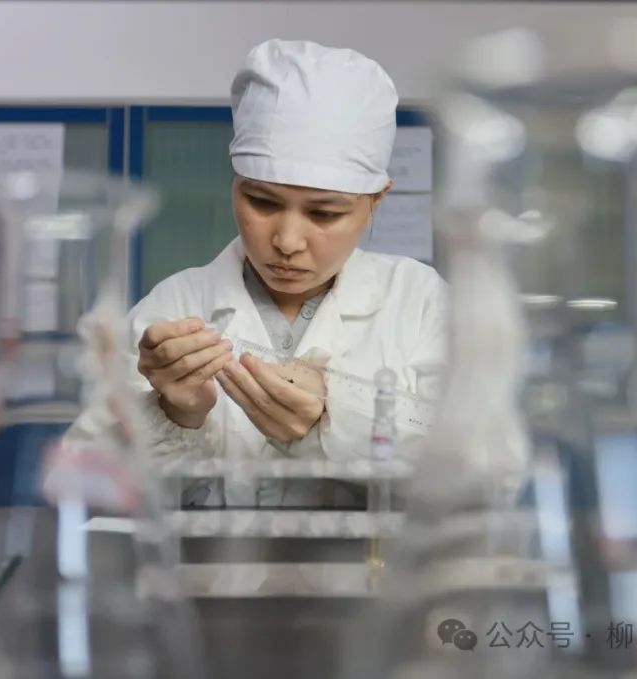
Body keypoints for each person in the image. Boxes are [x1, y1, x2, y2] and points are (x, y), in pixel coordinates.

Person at [68, 39, 448, 508]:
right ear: (235, 185)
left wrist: (336, 421)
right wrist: (174, 415)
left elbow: (483, 477)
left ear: (377, 199)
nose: (287, 241)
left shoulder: (419, 303)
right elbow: (83, 486)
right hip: (208, 560)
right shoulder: (176, 306)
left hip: (374, 561)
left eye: (324, 213)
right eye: (262, 202)